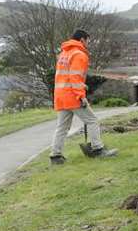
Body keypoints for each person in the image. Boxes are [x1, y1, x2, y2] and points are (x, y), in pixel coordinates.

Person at [49, 29, 118, 164]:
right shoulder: (79, 54)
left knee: (62, 127)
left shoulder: (64, 53)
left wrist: (82, 86)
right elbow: (75, 76)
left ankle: (55, 156)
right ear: (82, 40)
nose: (88, 44)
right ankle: (98, 149)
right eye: (87, 41)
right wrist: (81, 96)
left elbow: (66, 77)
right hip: (73, 96)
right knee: (92, 120)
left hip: (60, 96)